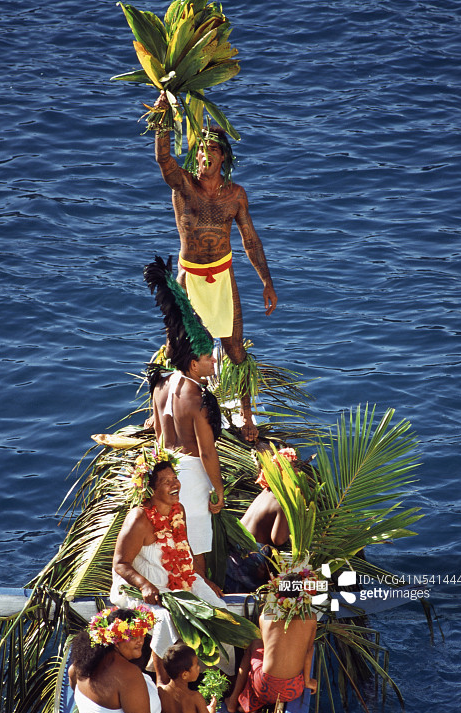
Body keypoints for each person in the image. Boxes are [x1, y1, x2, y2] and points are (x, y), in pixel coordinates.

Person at [153, 91, 278, 443]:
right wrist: (163, 116)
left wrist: (266, 282)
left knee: (235, 348)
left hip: (222, 276)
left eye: (212, 150)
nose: (204, 155)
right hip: (190, 275)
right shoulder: (183, 186)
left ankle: (246, 415)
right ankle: (157, 411)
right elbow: (164, 160)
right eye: (200, 149)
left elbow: (250, 240)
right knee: (175, 345)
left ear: (223, 156)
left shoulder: (236, 195)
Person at [110, 458, 234, 681]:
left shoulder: (179, 510)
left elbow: (183, 549)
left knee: (218, 607)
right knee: (165, 619)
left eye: (175, 478)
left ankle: (222, 673)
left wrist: (203, 579)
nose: (175, 484)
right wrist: (145, 585)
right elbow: (120, 563)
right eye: (166, 481)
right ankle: (162, 681)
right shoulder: (139, 519)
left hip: (178, 578)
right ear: (151, 489)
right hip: (141, 589)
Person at [144, 255, 224, 573]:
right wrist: (218, 492)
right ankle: (199, 602)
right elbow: (207, 453)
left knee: (168, 543)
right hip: (189, 479)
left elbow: (157, 435)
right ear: (193, 363)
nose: (214, 363)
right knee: (194, 550)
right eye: (208, 358)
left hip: (163, 475)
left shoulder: (160, 384)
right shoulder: (197, 398)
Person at [68, 605, 161, 713]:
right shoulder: (128, 675)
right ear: (115, 639)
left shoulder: (83, 661)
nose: (141, 640)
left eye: (142, 633)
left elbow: (72, 677)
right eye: (132, 636)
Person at [225, 572, 318, 713]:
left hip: (264, 688)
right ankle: (248, 703)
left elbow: (267, 647)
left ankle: (234, 701)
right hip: (293, 690)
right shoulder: (311, 618)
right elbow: (308, 651)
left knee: (255, 646)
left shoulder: (265, 617)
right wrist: (307, 681)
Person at [158, 643, 236, 713]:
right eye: (196, 665)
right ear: (184, 674)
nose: (199, 668)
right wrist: (212, 709)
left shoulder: (161, 691)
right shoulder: (194, 697)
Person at [239, 447, 299, 548]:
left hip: (235, 541)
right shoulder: (282, 500)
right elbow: (278, 540)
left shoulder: (266, 492)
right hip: (248, 552)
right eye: (293, 468)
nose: (297, 471)